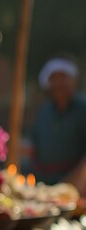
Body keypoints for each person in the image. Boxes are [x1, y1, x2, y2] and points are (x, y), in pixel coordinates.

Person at [30, 57, 86, 185]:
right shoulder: (44, 111)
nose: (59, 83)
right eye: (54, 78)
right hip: (44, 182)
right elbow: (33, 147)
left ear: (74, 80)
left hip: (78, 184)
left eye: (63, 78)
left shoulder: (83, 109)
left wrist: (73, 182)